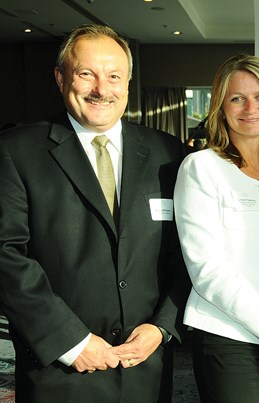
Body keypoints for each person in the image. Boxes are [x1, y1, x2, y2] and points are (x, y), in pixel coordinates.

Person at [0, 24, 188, 402]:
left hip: (146, 371)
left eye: (114, 76)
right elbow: (6, 254)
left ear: (129, 82)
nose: (102, 89)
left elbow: (188, 253)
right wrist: (70, 341)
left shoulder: (171, 155)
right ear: (60, 77)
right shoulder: (16, 152)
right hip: (59, 372)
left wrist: (162, 327)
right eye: (86, 74)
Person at [173, 54, 259, 403]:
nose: (251, 107)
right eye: (237, 98)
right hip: (229, 340)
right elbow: (208, 270)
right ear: (220, 107)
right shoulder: (201, 168)